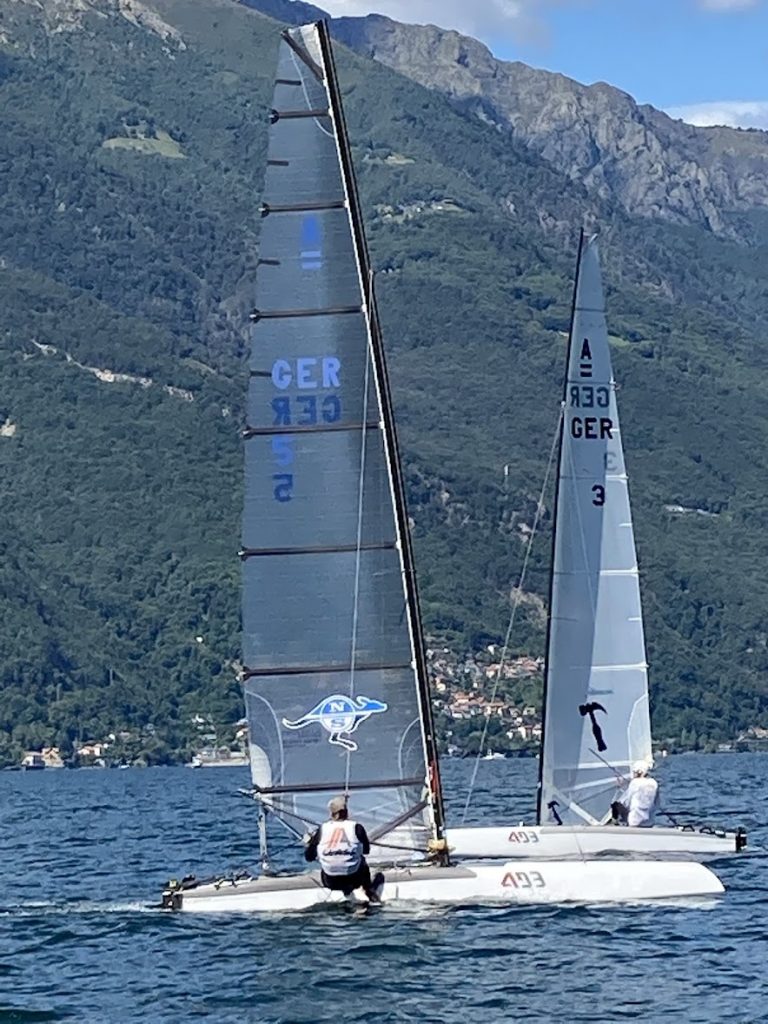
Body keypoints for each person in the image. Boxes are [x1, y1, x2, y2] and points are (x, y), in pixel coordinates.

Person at [304, 795, 384, 902]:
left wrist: (309, 844)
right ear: (346, 812)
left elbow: (309, 857)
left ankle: (347, 892)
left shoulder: (323, 829)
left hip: (330, 882)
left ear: (331, 813)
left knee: (327, 865)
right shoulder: (357, 827)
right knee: (362, 860)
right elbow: (366, 851)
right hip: (354, 879)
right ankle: (368, 891)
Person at [611, 760, 659, 827]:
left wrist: (620, 787)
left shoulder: (634, 782)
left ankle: (616, 823)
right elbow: (656, 802)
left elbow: (627, 802)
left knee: (615, 805)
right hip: (650, 821)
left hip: (634, 821)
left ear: (638, 772)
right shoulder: (654, 783)